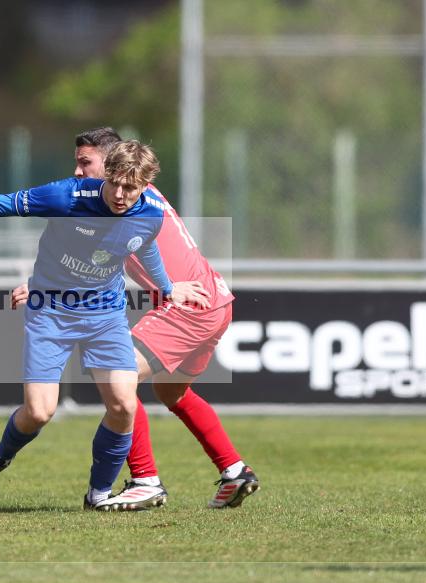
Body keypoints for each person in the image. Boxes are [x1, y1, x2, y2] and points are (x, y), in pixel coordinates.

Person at [0, 140, 210, 510]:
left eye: (131, 188)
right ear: (106, 174)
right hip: (50, 312)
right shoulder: (66, 196)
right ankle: (1, 454)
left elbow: (144, 244)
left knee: (124, 405)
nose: (121, 195)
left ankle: (98, 495)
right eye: (115, 184)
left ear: (145, 185)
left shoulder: (152, 212)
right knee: (40, 412)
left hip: (105, 316)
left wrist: (167, 288)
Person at [13, 127, 259, 509]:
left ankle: (145, 479)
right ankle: (234, 470)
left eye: (85, 163)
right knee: (171, 392)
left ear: (113, 164)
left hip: (189, 306)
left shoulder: (124, 206)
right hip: (216, 301)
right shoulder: (129, 197)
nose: (77, 172)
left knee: (118, 381)